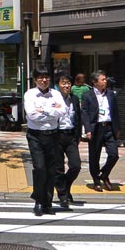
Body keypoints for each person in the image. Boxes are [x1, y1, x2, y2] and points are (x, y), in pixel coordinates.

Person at [23, 67, 69, 216]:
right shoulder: (30, 94)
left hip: (53, 135)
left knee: (51, 170)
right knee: (40, 168)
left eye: (46, 77)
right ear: (35, 79)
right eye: (41, 77)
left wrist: (44, 110)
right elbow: (32, 115)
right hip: (35, 136)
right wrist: (52, 112)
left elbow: (63, 111)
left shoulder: (55, 94)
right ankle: (38, 200)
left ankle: (47, 202)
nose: (44, 80)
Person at [81, 70, 121, 191]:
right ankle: (96, 180)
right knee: (94, 156)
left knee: (114, 154)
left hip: (109, 127)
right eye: (103, 79)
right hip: (96, 128)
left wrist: (118, 128)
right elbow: (85, 113)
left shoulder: (110, 94)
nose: (105, 81)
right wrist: (87, 129)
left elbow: (116, 112)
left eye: (105, 79)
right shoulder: (87, 95)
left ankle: (104, 174)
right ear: (94, 82)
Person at [53, 73, 83, 209]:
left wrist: (78, 135)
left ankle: (65, 185)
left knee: (75, 165)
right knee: (58, 168)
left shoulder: (74, 99)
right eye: (63, 83)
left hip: (71, 135)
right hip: (57, 135)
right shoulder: (53, 100)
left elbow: (78, 117)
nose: (67, 85)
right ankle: (63, 196)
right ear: (58, 85)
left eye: (68, 83)